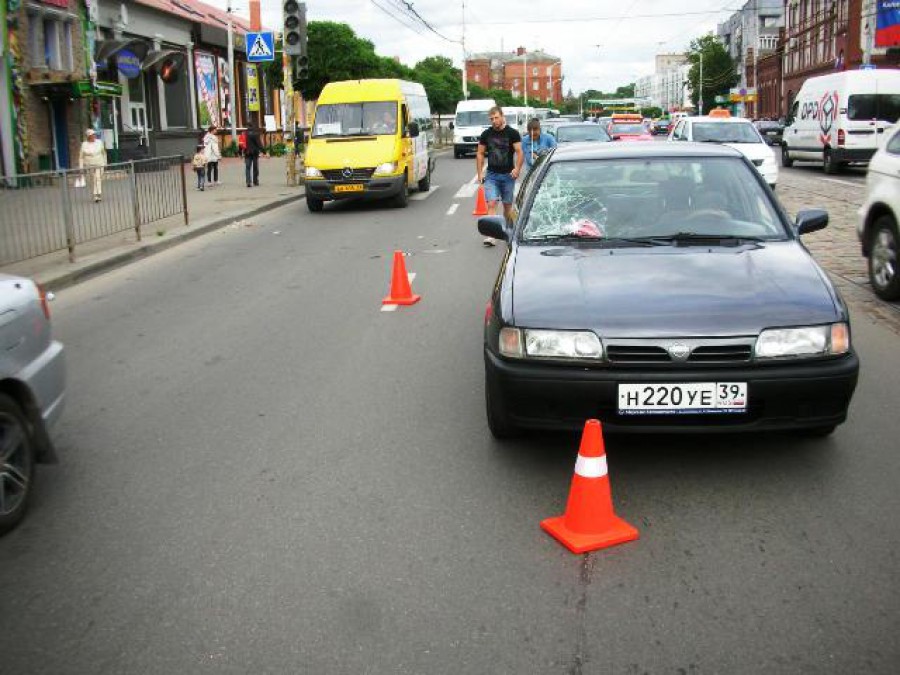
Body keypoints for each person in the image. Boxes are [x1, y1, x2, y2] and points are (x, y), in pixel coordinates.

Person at [476, 106, 523, 246]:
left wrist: (517, 169)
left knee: (508, 206)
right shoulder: (486, 134)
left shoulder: (512, 133)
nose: (494, 121)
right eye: (491, 119)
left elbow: (520, 152)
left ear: (502, 116)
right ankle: (491, 235)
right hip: (492, 175)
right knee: (491, 203)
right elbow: (480, 153)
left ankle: (510, 229)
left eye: (496, 118)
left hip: (508, 175)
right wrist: (479, 173)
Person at [78, 128, 107, 203]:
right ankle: (96, 195)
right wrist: (81, 168)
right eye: (92, 135)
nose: (93, 136)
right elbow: (81, 157)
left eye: (94, 134)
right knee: (94, 179)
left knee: (97, 178)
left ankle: (97, 194)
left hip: (99, 164)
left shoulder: (99, 142)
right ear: (88, 136)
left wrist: (105, 162)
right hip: (90, 165)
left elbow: (104, 153)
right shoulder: (84, 144)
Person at [244, 122, 265, 187]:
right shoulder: (256, 133)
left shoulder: (245, 133)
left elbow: (241, 143)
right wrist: (264, 151)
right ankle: (255, 181)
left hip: (247, 153)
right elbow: (259, 144)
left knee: (247, 167)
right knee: (255, 167)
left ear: (247, 126)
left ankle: (248, 182)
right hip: (255, 153)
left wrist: (239, 152)